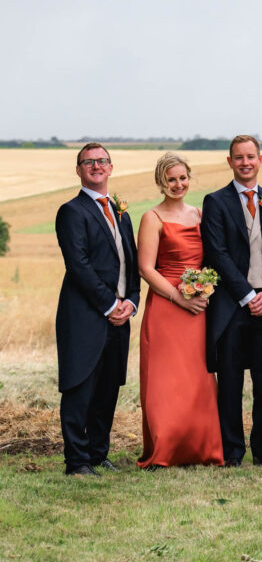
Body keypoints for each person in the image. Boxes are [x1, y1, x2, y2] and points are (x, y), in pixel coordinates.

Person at [55, 143, 141, 476]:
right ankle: (76, 462)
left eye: (102, 161)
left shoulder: (122, 212)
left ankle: (97, 453)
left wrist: (131, 301)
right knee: (80, 387)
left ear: (111, 166)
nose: (96, 166)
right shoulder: (72, 211)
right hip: (84, 316)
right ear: (78, 170)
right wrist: (109, 304)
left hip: (121, 316)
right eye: (88, 162)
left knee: (107, 388)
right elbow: (79, 265)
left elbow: (130, 265)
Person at [201, 135, 262, 467]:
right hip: (232, 307)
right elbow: (216, 253)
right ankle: (232, 452)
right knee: (231, 382)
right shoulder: (215, 201)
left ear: (261, 159)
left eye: (251, 157)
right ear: (230, 161)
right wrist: (247, 295)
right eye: (239, 157)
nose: (245, 163)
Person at [136, 153, 223, 469]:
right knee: (166, 378)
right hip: (167, 304)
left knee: (197, 376)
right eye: (171, 179)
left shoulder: (200, 214)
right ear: (161, 182)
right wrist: (178, 297)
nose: (178, 184)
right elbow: (146, 268)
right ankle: (167, 448)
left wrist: (201, 291)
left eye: (182, 178)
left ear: (190, 178)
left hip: (198, 304)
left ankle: (201, 446)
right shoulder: (152, 217)